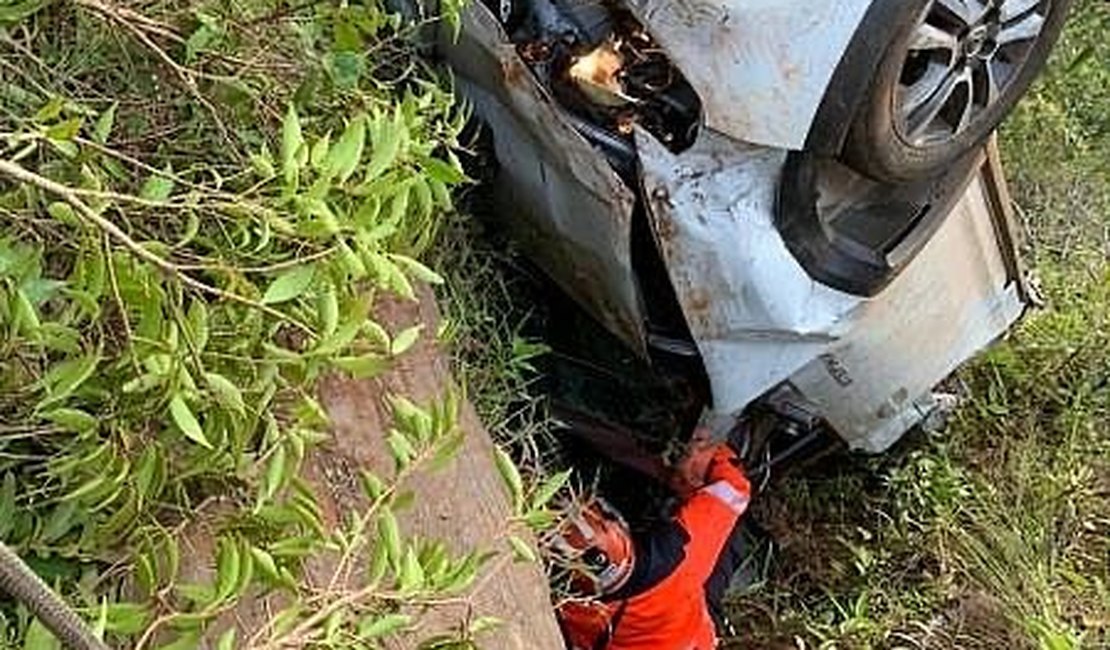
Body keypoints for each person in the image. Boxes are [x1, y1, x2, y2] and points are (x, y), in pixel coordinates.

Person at [552, 433, 752, 650]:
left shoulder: (575, 612)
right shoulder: (679, 551)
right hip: (696, 632)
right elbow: (733, 489)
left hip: (681, 620)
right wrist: (710, 451)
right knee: (734, 534)